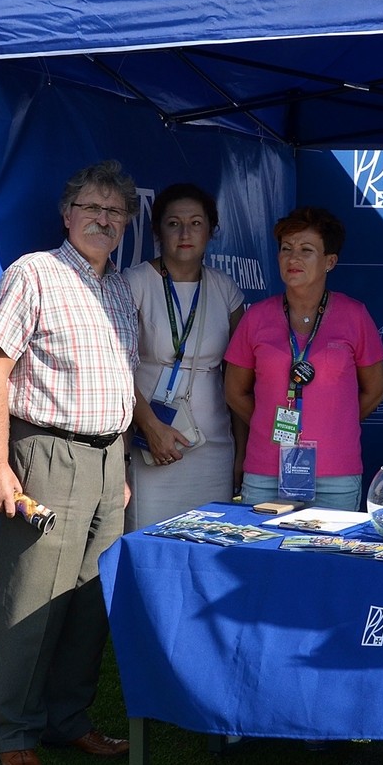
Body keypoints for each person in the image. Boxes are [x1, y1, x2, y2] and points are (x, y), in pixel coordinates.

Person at [0, 159, 140, 765]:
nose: (103, 219)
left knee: (90, 603)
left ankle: (68, 719)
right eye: (92, 207)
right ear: (67, 214)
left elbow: (121, 381)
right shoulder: (34, 273)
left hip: (108, 460)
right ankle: (14, 731)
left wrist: (119, 462)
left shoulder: (118, 288)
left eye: (115, 211)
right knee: (33, 600)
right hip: (48, 453)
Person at [224, 206, 383, 511]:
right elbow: (234, 391)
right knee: (262, 543)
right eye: (286, 248)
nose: (293, 258)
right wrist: (266, 423)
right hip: (265, 470)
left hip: (335, 472)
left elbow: (375, 390)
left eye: (306, 250)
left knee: (328, 543)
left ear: (329, 262)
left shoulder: (354, 315)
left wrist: (335, 422)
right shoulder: (256, 317)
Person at [124, 183, 246, 530]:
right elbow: (117, 369)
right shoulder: (135, 283)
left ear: (211, 230)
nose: (185, 234)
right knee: (151, 540)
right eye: (173, 223)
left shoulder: (226, 289)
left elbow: (239, 380)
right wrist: (151, 427)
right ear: (158, 230)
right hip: (152, 444)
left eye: (195, 223)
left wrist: (242, 450)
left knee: (210, 540)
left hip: (213, 447)